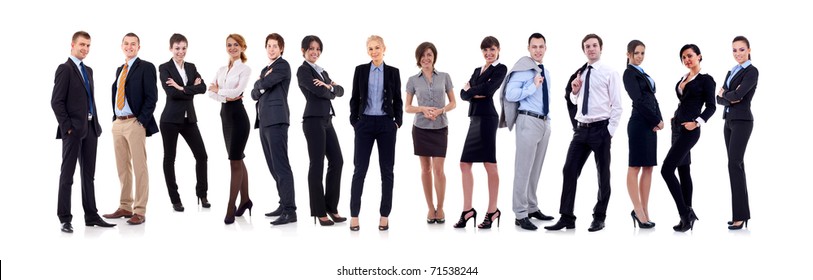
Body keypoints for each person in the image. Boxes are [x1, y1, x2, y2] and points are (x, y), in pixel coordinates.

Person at [545, 34, 622, 232]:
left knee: (602, 174)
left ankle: (599, 217)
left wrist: (609, 132)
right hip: (581, 131)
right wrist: (574, 91)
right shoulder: (580, 73)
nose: (591, 49)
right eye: (587, 46)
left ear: (601, 48)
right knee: (569, 170)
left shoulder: (609, 72)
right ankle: (567, 217)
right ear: (584, 50)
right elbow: (573, 101)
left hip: (601, 130)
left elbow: (617, 106)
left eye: (594, 45)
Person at [51, 31, 116, 233]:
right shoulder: (65, 69)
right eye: (82, 45)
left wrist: (95, 124)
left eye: (88, 45)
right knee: (67, 176)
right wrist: (68, 126)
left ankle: (91, 215)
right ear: (72, 44)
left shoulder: (88, 70)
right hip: (73, 131)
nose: (85, 49)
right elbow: (56, 102)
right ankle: (65, 218)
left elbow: (89, 100)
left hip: (91, 129)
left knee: (89, 175)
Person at [499, 33, 555, 231]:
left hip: (544, 123)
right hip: (528, 121)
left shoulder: (544, 71)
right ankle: (520, 214)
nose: (538, 50)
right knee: (523, 169)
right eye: (534, 47)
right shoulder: (524, 69)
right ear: (528, 49)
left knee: (536, 169)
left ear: (545, 48)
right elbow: (510, 94)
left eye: (541, 46)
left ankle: (532, 207)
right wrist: (532, 85)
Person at [103, 33, 158, 226]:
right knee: (122, 168)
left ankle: (140, 210)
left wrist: (141, 121)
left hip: (135, 123)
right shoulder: (120, 69)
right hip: (118, 123)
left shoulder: (147, 67)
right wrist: (114, 119)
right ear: (122, 46)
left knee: (139, 167)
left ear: (138, 47)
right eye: (126, 44)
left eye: (133, 44)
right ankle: (125, 206)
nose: (129, 46)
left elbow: (152, 98)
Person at [348, 35, 403, 231]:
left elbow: (398, 99)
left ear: (384, 48)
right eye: (370, 48)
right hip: (364, 124)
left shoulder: (393, 72)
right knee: (359, 170)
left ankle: (384, 215)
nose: (374, 51)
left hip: (386, 125)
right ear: (367, 51)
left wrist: (397, 122)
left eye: (377, 47)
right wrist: (355, 121)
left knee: (387, 171)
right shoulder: (360, 70)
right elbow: (354, 97)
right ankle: (354, 215)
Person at [453, 36, 506, 230]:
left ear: (498, 49)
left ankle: (492, 210)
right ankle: (468, 210)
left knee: (489, 164)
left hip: (487, 119)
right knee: (464, 164)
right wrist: (473, 92)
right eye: (485, 50)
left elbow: (489, 89)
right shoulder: (477, 70)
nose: (488, 53)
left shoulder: (500, 69)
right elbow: (462, 93)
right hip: (474, 118)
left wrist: (472, 90)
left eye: (492, 49)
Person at [661, 44, 716, 232]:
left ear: (699, 56)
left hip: (690, 130)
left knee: (666, 170)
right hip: (676, 127)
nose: (687, 59)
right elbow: (684, 102)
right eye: (683, 57)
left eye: (690, 55)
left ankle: (685, 214)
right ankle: (687, 214)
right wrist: (675, 118)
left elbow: (711, 107)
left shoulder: (706, 80)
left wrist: (697, 122)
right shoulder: (683, 78)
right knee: (683, 170)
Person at [297, 35, 347, 226]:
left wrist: (329, 87)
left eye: (317, 49)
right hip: (313, 121)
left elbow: (340, 90)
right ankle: (319, 211)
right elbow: (320, 92)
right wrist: (329, 89)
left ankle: (331, 206)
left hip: (327, 120)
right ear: (303, 51)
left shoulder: (322, 72)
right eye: (311, 48)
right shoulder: (303, 71)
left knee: (337, 161)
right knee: (316, 164)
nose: (314, 52)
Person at [405, 42, 456, 224]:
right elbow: (407, 107)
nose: (426, 58)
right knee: (425, 169)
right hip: (420, 129)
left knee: (439, 170)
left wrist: (440, 111)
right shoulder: (412, 80)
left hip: (440, 127)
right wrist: (423, 109)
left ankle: (440, 207)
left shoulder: (444, 76)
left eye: (429, 54)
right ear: (418, 59)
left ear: (434, 56)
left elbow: (453, 103)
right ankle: (430, 208)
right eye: (423, 55)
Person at [158, 33, 209, 212]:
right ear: (171, 49)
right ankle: (175, 199)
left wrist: (181, 87)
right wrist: (189, 89)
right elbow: (171, 93)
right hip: (170, 120)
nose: (181, 52)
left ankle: (202, 194)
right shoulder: (164, 68)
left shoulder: (191, 66)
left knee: (202, 156)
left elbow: (203, 88)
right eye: (177, 48)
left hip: (189, 119)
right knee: (170, 159)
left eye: (184, 48)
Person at [251, 33, 296, 226]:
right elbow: (254, 93)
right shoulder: (265, 69)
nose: (271, 49)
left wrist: (261, 83)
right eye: (268, 46)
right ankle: (283, 203)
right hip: (264, 121)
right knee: (272, 166)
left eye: (275, 46)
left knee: (281, 166)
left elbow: (264, 84)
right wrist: (261, 83)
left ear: (281, 49)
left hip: (277, 120)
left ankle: (290, 211)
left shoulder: (282, 66)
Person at [207, 34, 253, 224]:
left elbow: (238, 92)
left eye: (236, 45)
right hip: (224, 117)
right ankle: (246, 200)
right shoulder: (221, 69)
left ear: (242, 47)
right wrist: (223, 95)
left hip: (239, 117)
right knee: (238, 158)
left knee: (234, 160)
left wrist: (221, 92)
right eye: (229, 45)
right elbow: (211, 93)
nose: (232, 48)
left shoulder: (245, 69)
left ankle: (230, 206)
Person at [716, 36, 757, 230]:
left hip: (742, 121)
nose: (738, 53)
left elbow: (739, 96)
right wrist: (726, 97)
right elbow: (719, 98)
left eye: (741, 49)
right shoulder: (731, 71)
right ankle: (740, 214)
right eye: (734, 50)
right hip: (728, 122)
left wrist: (727, 95)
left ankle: (740, 216)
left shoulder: (752, 71)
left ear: (749, 50)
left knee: (734, 164)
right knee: (735, 166)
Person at [622, 40, 663, 229]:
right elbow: (638, 101)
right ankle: (637, 210)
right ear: (628, 54)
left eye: (642, 53)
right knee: (635, 166)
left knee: (648, 167)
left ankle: (645, 210)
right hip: (639, 123)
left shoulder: (642, 73)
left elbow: (652, 98)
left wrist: (659, 119)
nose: (640, 56)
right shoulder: (629, 73)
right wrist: (655, 120)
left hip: (650, 124)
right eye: (637, 53)